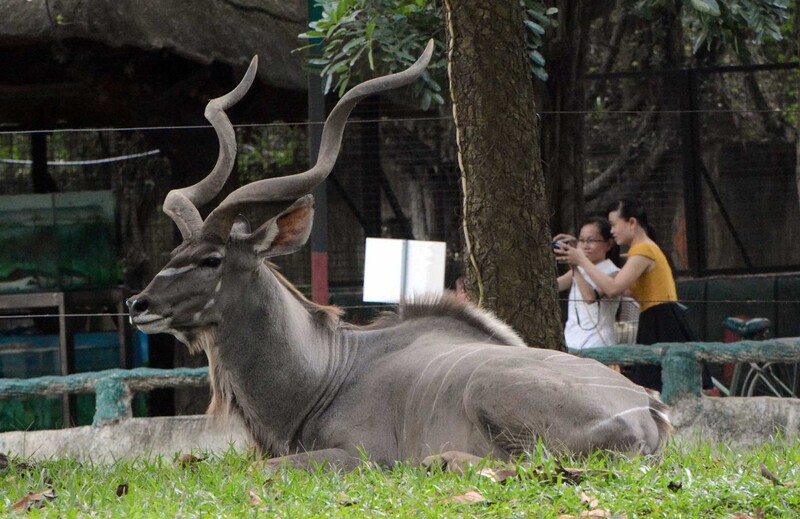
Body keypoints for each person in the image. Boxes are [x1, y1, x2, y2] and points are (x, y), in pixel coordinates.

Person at [555, 198, 694, 392]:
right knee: (657, 386)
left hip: (660, 319)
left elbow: (613, 288)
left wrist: (580, 260)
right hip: (653, 318)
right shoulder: (640, 251)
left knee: (663, 386)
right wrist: (579, 251)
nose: (612, 230)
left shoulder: (643, 250)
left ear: (631, 223)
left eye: (614, 224)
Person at [553, 217, 624, 351]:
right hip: (570, 342)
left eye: (591, 241)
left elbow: (590, 297)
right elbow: (555, 286)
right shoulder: (581, 268)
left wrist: (576, 266)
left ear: (608, 244)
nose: (585, 246)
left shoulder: (614, 272)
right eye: (581, 240)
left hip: (597, 344)